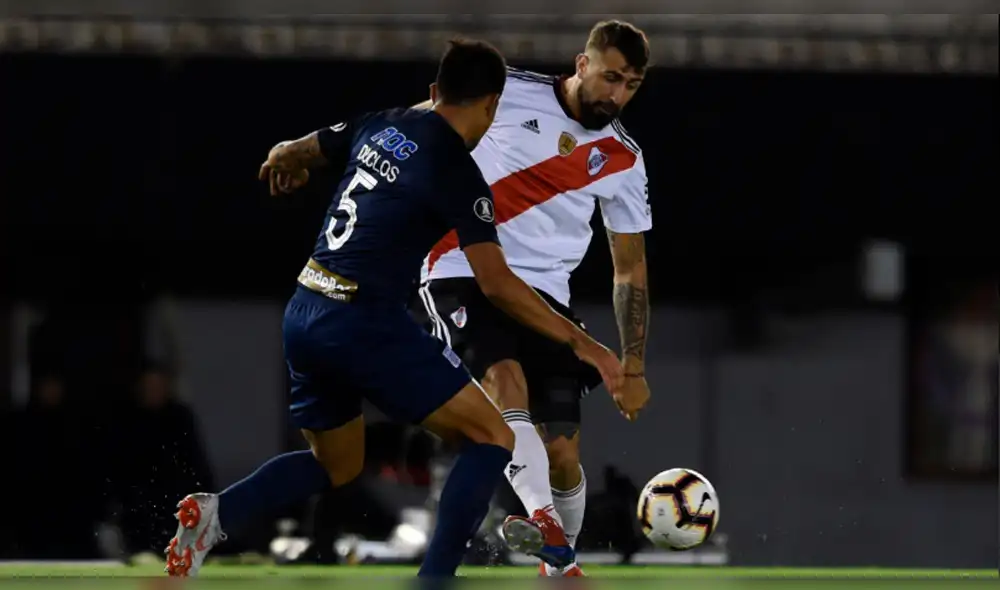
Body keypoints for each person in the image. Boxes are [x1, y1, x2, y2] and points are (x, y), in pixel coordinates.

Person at [162, 38, 623, 580]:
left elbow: (308, 147)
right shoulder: (457, 172)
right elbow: (497, 286)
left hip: (306, 311)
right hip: (363, 322)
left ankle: (216, 515)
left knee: (337, 464)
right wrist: (587, 345)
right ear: (492, 106)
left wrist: (286, 153)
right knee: (493, 437)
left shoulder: (382, 122)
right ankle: (435, 579)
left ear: (434, 92)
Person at [409, 20, 653, 577]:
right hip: (462, 267)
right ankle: (546, 528)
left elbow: (630, 269)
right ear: (582, 64)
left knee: (564, 452)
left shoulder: (623, 159)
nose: (617, 95)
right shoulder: (509, 90)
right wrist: (318, 146)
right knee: (506, 383)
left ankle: (556, 565)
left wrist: (633, 364)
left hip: (546, 297)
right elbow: (415, 122)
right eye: (610, 77)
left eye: (632, 85)